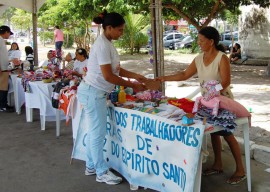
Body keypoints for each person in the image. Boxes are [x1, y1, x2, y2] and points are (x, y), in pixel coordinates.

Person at [156, 26, 246, 185]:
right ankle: (218, 164)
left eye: (201, 40)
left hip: (222, 102)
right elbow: (184, 74)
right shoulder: (199, 58)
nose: (199, 43)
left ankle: (240, 170)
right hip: (207, 103)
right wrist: (164, 78)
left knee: (226, 133)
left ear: (211, 42)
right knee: (213, 132)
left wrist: (213, 91)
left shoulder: (221, 58)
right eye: (198, 40)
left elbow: (226, 82)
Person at [77, 11, 146, 185]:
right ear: (108, 28)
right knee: (97, 134)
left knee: (95, 132)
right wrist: (132, 85)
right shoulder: (102, 45)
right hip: (93, 92)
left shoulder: (108, 43)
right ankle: (100, 171)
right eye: (120, 30)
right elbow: (108, 76)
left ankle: (92, 165)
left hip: (96, 92)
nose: (121, 33)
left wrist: (135, 76)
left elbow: (116, 69)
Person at [0, 25, 17, 112]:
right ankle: (2, 106)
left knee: (5, 86)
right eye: (9, 33)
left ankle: (3, 104)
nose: (9, 35)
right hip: (2, 68)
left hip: (4, 67)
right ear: (6, 32)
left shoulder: (2, 40)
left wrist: (10, 60)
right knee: (3, 87)